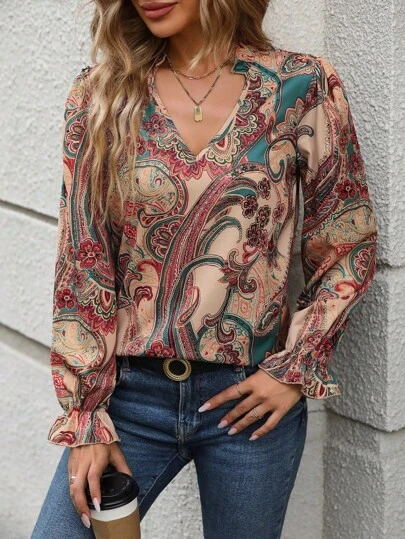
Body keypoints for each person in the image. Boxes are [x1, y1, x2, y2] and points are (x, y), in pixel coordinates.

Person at [31, 0, 378, 537]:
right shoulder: (101, 93)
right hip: (128, 399)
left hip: (249, 401)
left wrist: (294, 367)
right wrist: (85, 418)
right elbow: (83, 261)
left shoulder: (300, 86)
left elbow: (347, 242)